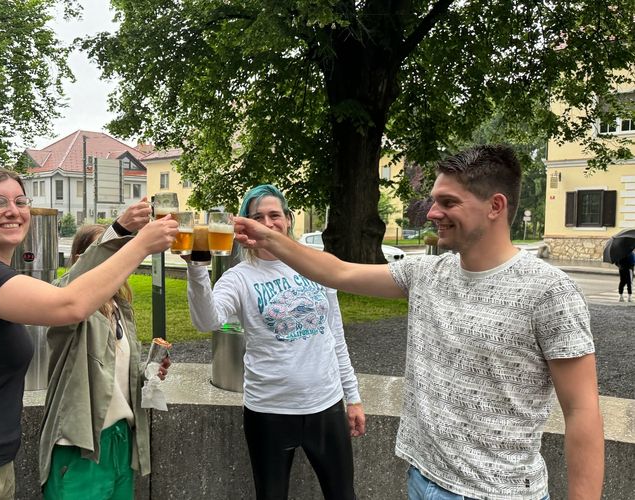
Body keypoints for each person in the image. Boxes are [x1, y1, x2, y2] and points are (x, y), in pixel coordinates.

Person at [233, 145, 604, 500]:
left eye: (448, 202)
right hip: (423, 480)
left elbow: (582, 411)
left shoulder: (550, 291)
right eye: (434, 201)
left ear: (496, 206)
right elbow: (339, 272)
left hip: (500, 492)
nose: (431, 213)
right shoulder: (425, 273)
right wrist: (270, 238)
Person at [0, 169, 178, 500]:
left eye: (20, 201)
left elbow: (63, 289)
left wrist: (119, 231)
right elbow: (69, 304)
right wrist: (140, 245)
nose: (13, 210)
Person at [184, 184, 365, 500]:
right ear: (245, 225)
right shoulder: (239, 277)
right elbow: (206, 321)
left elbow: (335, 334)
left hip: (326, 404)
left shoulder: (315, 264)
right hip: (269, 409)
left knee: (343, 495)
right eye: (258, 217)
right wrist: (197, 268)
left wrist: (353, 396)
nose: (268, 223)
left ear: (288, 219)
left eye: (274, 215)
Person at [39, 199, 171, 499]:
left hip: (120, 441)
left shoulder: (121, 308)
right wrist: (120, 230)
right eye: (113, 258)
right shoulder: (68, 310)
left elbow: (111, 375)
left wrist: (148, 372)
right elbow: (71, 286)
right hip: (80, 447)